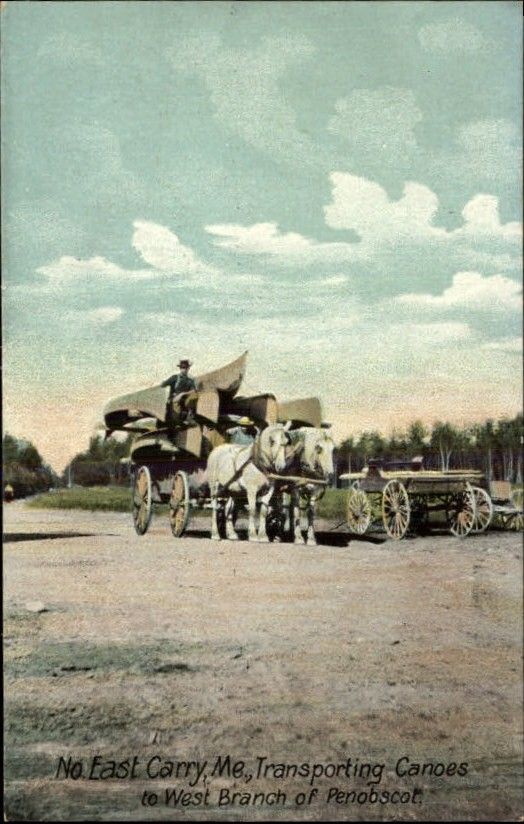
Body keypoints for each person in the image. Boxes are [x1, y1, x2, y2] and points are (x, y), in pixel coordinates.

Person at [162, 359, 197, 426]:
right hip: (174, 400)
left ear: (188, 368)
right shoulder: (175, 378)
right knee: (175, 419)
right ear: (180, 368)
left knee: (194, 396)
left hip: (184, 400)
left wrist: (182, 394)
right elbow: (163, 385)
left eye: (186, 368)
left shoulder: (190, 380)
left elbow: (193, 390)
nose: (184, 369)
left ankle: (189, 417)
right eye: (182, 367)